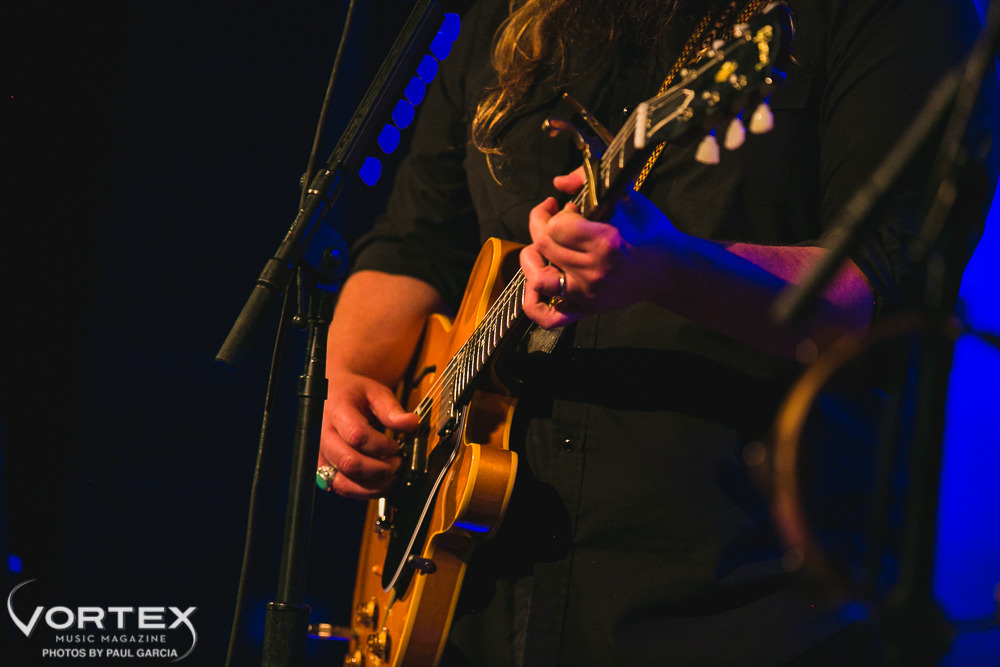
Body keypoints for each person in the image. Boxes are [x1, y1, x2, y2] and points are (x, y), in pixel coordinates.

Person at [317, 0, 998, 664]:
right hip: (479, 604)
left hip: (744, 602)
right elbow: (411, 246)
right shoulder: (500, 16)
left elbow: (881, 286)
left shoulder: (887, 14)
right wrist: (351, 379)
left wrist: (670, 269)